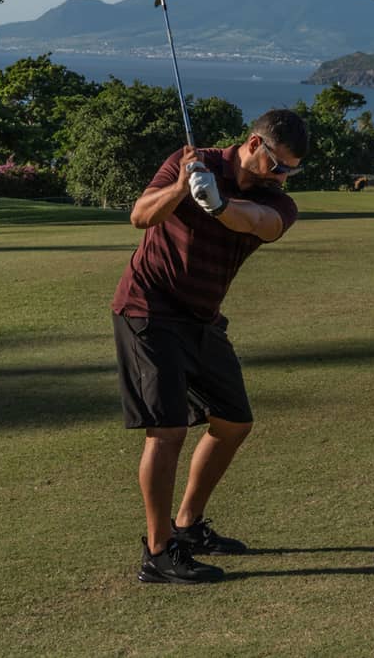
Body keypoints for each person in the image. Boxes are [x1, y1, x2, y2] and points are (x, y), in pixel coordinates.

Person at [111, 109, 308, 584]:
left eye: (291, 172)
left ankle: (189, 525)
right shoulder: (190, 162)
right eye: (278, 165)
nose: (282, 177)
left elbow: (261, 223)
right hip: (149, 309)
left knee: (234, 422)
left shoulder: (277, 201)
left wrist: (218, 205)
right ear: (254, 144)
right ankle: (158, 552)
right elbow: (140, 216)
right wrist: (183, 187)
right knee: (168, 431)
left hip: (201, 318)